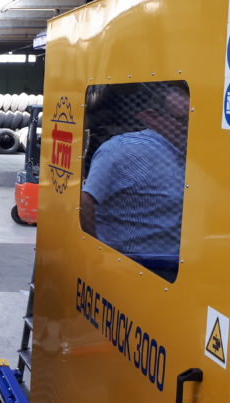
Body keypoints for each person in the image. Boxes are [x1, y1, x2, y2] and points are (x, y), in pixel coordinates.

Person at [80, 83, 190, 281]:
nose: (189, 127)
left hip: (180, 269)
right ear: (151, 117)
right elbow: (85, 200)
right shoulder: (123, 150)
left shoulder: (192, 154)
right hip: (133, 268)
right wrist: (97, 254)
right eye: (183, 120)